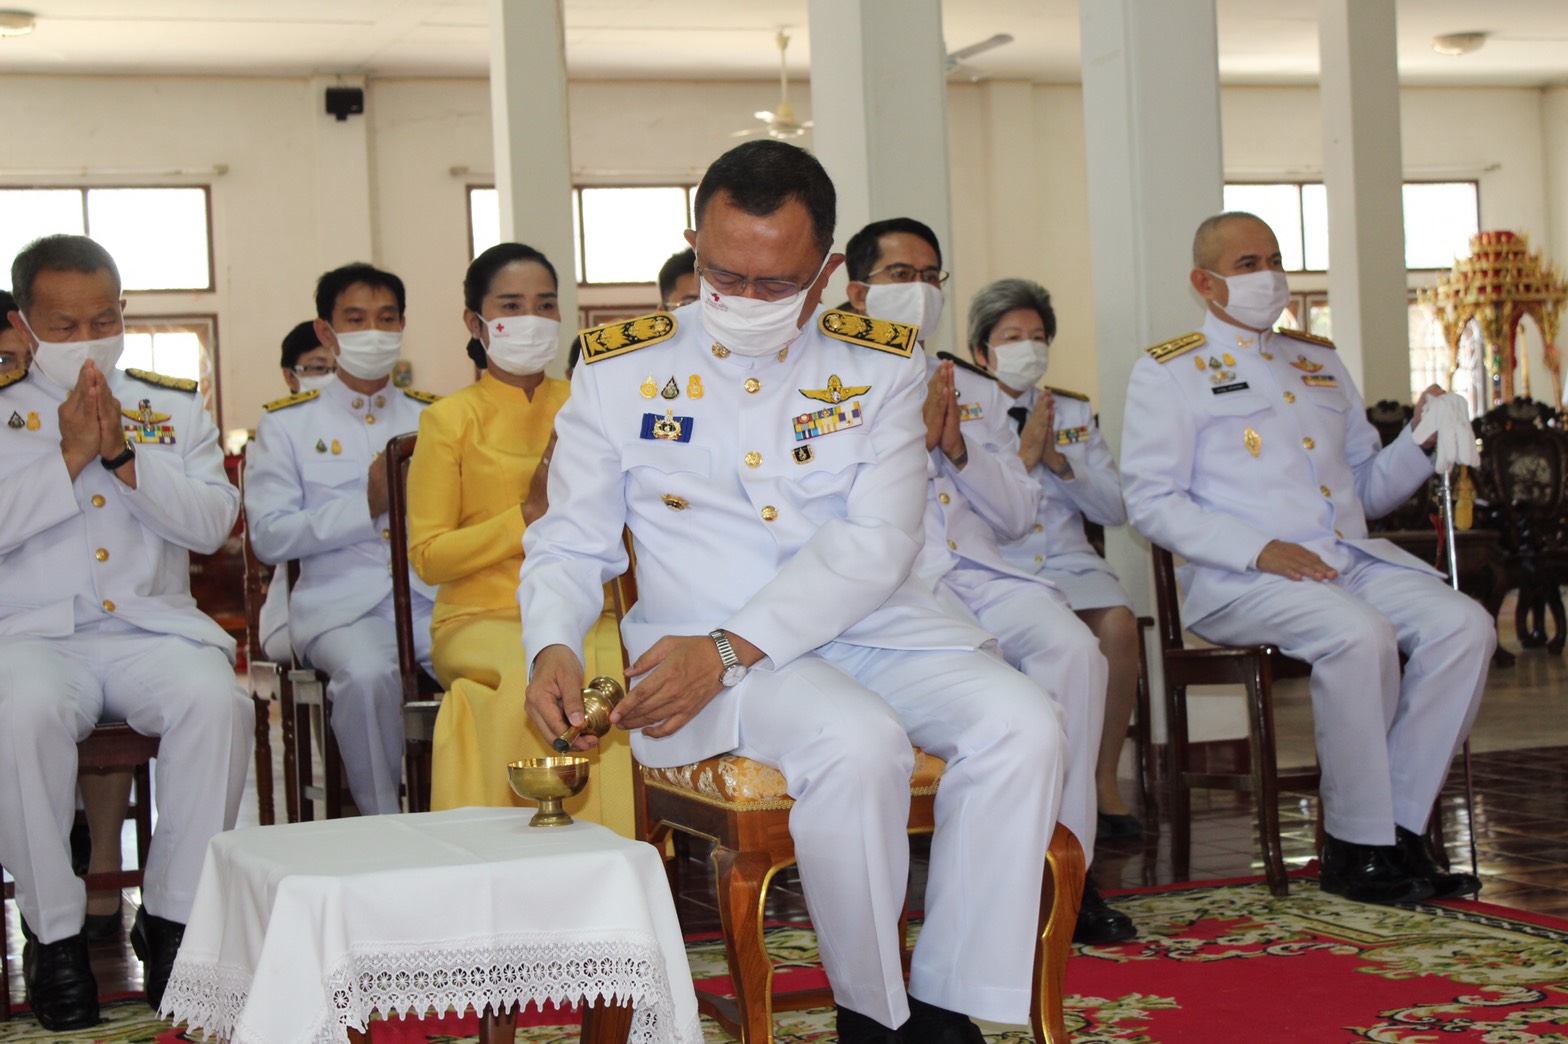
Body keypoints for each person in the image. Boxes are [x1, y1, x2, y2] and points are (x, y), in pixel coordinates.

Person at [520, 140, 1065, 1044]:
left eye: (776, 283)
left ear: (827, 270)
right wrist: (554, 645)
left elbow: (879, 541)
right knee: (857, 743)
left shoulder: (884, 365)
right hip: (700, 648)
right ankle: (873, 1013)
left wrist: (735, 646)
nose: (743, 300)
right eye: (721, 273)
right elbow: (570, 540)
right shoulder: (619, 368)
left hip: (865, 625)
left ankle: (944, 1003)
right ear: (693, 243)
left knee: (1026, 725)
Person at [1121, 211, 1494, 905]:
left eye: (1274, 258)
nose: (1269, 276)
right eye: (1246, 264)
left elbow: (1366, 489)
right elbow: (1151, 500)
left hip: (1347, 561)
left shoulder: (1317, 360)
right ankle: (1356, 848)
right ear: (1205, 283)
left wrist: (1417, 438)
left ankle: (1401, 828)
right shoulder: (1170, 371)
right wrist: (1260, 549)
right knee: (1359, 635)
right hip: (1244, 578)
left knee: (1465, 626)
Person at [845, 220, 1129, 945]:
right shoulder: (828, 375)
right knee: (988, 693)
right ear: (857, 290)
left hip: (979, 570)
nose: (919, 291)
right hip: (894, 584)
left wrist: (957, 447)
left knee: (1075, 651)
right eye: (899, 275)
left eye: (930, 276)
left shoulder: (965, 384)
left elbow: (1016, 512)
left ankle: (1067, 875)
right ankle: (977, 870)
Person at [0, 234, 253, 1028]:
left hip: (152, 632)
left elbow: (214, 521)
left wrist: (122, 456)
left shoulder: (171, 403)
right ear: (25, 321)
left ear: (123, 312)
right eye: (64, 324)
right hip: (33, 638)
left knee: (220, 704)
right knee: (20, 716)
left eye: (102, 319)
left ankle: (174, 921)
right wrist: (67, 457)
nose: (87, 339)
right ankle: (58, 936)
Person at [406, 243, 632, 828]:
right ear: (475, 322)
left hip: (587, 611)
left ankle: (623, 855)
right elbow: (428, 557)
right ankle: (510, 860)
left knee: (617, 675)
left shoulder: (590, 405)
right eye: (511, 305)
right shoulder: (448, 420)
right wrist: (526, 515)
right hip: (480, 616)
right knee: (528, 679)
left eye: (545, 305)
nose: (531, 319)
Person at [244, 262, 437, 816]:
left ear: (402, 326)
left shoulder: (436, 415)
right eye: (355, 319)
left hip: (430, 601)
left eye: (386, 318)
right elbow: (270, 536)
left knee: (496, 659)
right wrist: (368, 505)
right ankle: (382, 824)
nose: (372, 332)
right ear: (326, 333)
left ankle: (475, 811)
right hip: (338, 609)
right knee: (368, 676)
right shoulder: (287, 424)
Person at [973, 279, 1148, 847]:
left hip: (1073, 564)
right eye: (1012, 337)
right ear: (983, 351)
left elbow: (1115, 506)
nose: (1029, 346)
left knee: (1118, 626)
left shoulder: (1071, 409)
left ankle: (1101, 780)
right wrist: (1024, 461)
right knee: (1051, 639)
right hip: (1005, 564)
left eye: (1038, 336)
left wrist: (1061, 463)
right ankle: (1024, 789)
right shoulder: (967, 410)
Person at [253, 320, 337, 665]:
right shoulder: (278, 433)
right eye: (319, 368)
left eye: (338, 368)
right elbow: (273, 534)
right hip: (298, 600)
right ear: (291, 376)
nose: (331, 377)